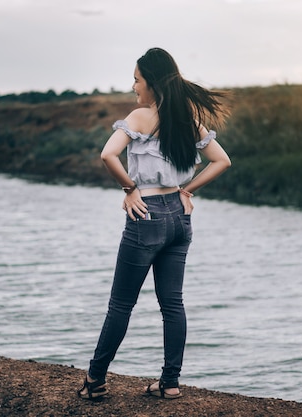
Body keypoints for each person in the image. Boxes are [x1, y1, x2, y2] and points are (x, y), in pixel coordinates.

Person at [77, 47, 231, 400]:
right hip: (179, 219)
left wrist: (129, 188)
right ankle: (170, 383)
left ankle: (96, 381)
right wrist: (186, 191)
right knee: (172, 304)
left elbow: (107, 154)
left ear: (153, 84)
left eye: (137, 79)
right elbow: (221, 160)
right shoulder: (187, 119)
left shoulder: (140, 117)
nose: (133, 86)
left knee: (120, 305)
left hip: (146, 217)